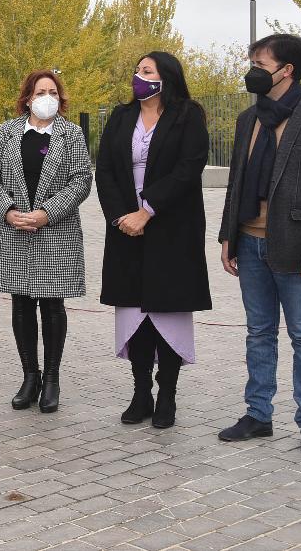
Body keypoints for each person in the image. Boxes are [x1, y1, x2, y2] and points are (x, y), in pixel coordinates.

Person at [216, 34, 301, 460]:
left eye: (260, 62)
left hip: (296, 248)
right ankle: (258, 414)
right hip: (250, 242)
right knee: (258, 334)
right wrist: (228, 236)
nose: (252, 69)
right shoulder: (248, 119)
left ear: (286, 69)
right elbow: (237, 181)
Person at [96, 53, 210, 429]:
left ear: (167, 78)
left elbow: (188, 168)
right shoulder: (121, 116)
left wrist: (149, 210)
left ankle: (168, 396)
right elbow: (106, 171)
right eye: (137, 70)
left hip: (171, 228)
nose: (138, 77)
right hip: (127, 228)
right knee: (134, 314)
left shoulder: (188, 115)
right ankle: (141, 391)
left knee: (166, 312)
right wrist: (122, 216)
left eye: (147, 72)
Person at [0, 70, 92, 413]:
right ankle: (30, 376)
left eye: (53, 92)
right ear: (27, 97)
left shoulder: (71, 134)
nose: (47, 97)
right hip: (14, 230)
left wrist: (47, 212)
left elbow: (82, 180)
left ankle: (53, 379)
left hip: (55, 231)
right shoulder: (8, 132)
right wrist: (8, 211)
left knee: (52, 305)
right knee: (22, 303)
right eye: (41, 91)